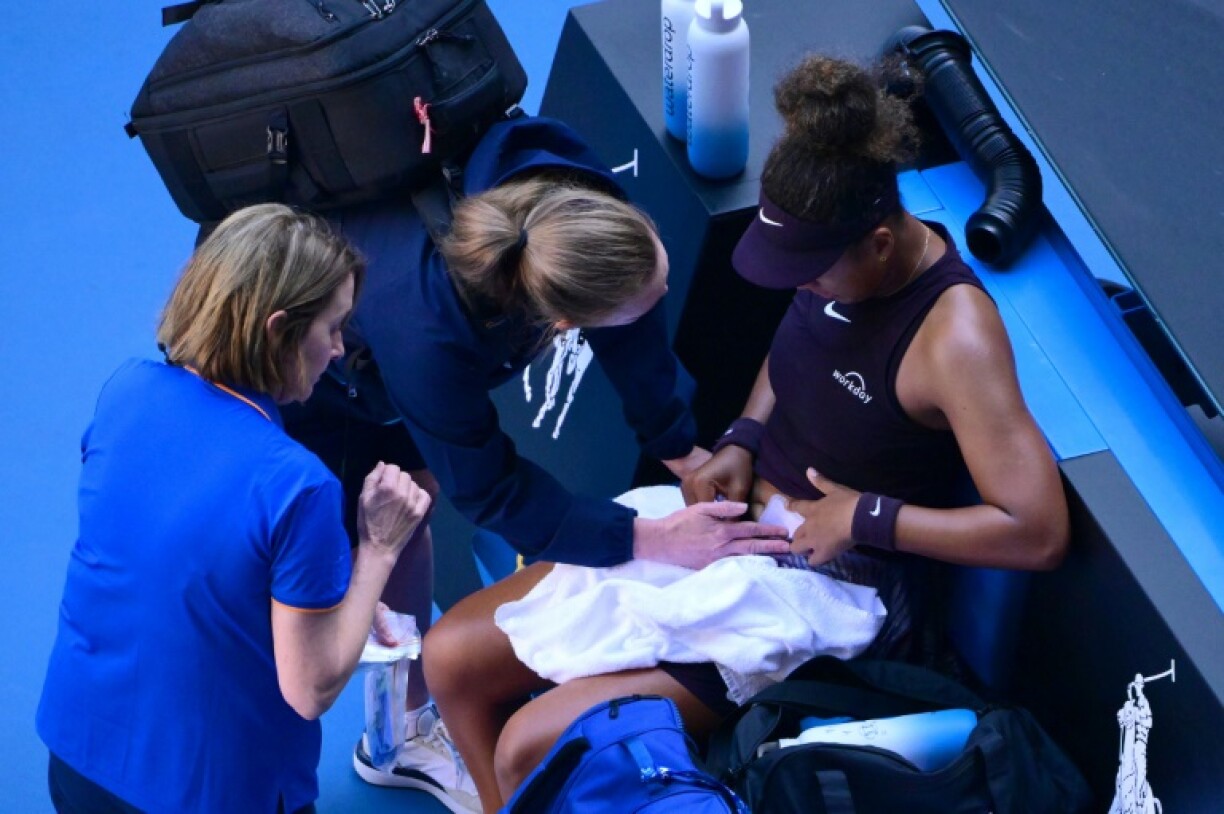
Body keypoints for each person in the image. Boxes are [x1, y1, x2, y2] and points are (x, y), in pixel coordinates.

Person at [421, 55, 1071, 812]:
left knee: (531, 742)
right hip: (727, 530)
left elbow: (1037, 531)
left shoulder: (955, 336)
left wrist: (859, 517)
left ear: (881, 245)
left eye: (812, 274)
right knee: (451, 658)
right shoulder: (833, 264)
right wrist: (741, 436)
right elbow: (796, 350)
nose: (799, 287)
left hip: (827, 591)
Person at [282, 115, 788, 811]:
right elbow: (491, 492)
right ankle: (388, 742)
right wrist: (647, 536)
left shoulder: (570, 193)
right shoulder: (432, 338)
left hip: (391, 303)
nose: (658, 296)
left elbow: (632, 311)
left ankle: (406, 716)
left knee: (416, 500)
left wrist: (680, 446)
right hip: (314, 362)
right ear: (560, 328)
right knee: (352, 543)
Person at [36, 204, 431, 814]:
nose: (339, 348)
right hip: (210, 790)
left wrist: (329, 594)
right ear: (276, 331)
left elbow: (181, 560)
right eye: (332, 327)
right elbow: (310, 685)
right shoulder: (297, 486)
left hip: (78, 756)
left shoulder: (125, 388)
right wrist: (378, 549)